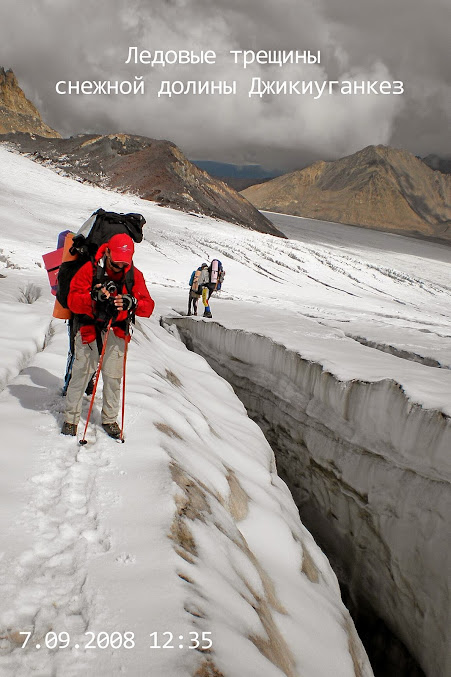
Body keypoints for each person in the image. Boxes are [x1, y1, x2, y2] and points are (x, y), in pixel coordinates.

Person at [61, 233, 154, 439]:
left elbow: (148, 307)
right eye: (117, 263)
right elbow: (72, 300)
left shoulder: (133, 275)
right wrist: (92, 298)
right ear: (108, 252)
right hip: (89, 329)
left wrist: (133, 303)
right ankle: (71, 419)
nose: (120, 268)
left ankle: (110, 419)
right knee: (81, 374)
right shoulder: (90, 269)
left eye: (124, 264)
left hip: (117, 330)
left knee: (113, 378)